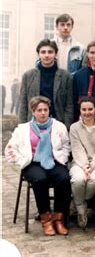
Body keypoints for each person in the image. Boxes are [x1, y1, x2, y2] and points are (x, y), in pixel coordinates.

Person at [5, 96, 71, 236]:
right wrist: (22, 160)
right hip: (33, 163)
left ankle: (59, 219)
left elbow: (66, 146)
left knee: (64, 178)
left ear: (49, 110)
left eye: (45, 110)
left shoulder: (59, 126)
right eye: (39, 110)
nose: (43, 113)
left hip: (54, 161)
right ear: (33, 112)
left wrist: (62, 158)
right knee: (40, 179)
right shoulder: (22, 129)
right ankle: (46, 219)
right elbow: (9, 150)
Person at [69, 97, 95, 228]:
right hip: (79, 163)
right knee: (78, 180)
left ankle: (78, 201)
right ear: (80, 110)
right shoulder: (74, 127)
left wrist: (91, 167)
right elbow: (77, 150)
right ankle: (81, 211)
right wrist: (85, 166)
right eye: (84, 109)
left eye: (90, 109)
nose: (87, 112)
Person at [19, 39, 74, 129]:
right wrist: (22, 127)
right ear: (39, 54)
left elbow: (69, 105)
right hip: (34, 124)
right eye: (43, 52)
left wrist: (66, 127)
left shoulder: (66, 76)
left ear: (55, 54)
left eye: (50, 52)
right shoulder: (28, 76)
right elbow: (23, 104)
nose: (46, 55)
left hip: (57, 123)